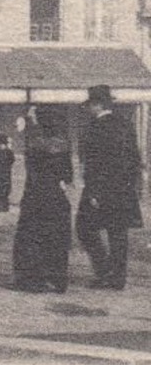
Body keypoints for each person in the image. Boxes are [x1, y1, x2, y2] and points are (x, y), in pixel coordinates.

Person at [76, 84, 143, 290]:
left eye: (90, 105)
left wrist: (95, 191)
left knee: (84, 227)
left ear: (97, 105)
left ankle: (105, 270)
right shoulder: (125, 124)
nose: (87, 109)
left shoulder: (95, 127)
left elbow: (96, 163)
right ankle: (117, 278)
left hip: (100, 188)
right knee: (118, 233)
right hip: (123, 188)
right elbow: (134, 158)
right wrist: (134, 185)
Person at [12, 106, 72, 293]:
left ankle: (31, 279)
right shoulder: (64, 145)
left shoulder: (34, 145)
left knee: (31, 237)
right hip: (56, 197)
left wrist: (31, 122)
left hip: (35, 197)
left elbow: (33, 155)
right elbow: (68, 175)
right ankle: (57, 279)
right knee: (57, 238)